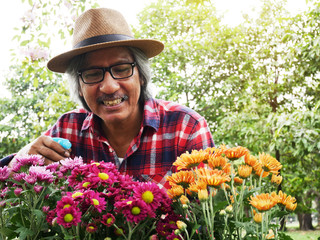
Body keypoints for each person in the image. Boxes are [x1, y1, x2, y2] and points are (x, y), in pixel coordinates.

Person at [0, 8, 214, 187]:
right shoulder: (68, 129)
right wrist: (22, 160)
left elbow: (205, 218)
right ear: (80, 87)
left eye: (121, 69)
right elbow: (8, 180)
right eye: (92, 74)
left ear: (141, 76)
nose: (109, 87)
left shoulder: (186, 128)